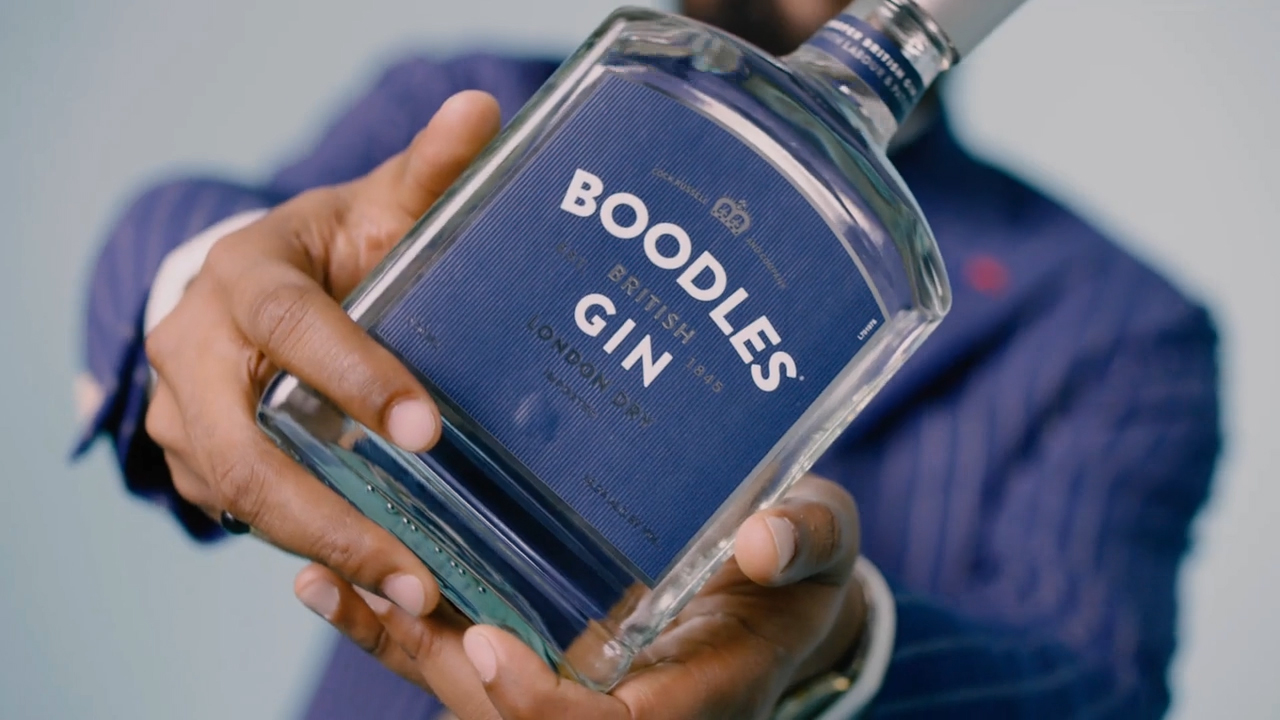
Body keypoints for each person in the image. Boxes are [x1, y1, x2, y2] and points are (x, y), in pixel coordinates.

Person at [73, 0, 1221, 717]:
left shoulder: (1112, 322)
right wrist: (208, 286)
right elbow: (181, 224)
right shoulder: (493, 96)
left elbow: (1092, 686)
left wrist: (835, 654)